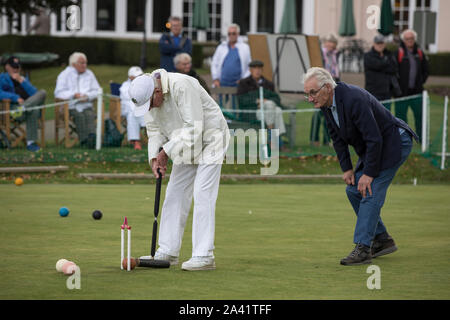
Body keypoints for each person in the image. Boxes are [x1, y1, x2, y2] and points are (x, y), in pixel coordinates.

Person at [303, 67, 418, 266]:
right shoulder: (327, 104)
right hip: (375, 145)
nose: (310, 98)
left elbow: (374, 138)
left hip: (394, 141)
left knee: (369, 189)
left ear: (328, 87)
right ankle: (382, 240)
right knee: (354, 191)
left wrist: (369, 173)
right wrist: (347, 168)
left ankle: (363, 248)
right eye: (307, 94)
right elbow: (337, 138)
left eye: (313, 92)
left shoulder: (353, 98)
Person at [128, 69, 230, 271]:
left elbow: (194, 126)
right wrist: (155, 157)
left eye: (150, 104)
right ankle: (168, 250)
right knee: (174, 193)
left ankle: (204, 255)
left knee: (203, 193)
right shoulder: (150, 98)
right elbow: (155, 130)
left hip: (211, 138)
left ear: (157, 92)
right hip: (184, 143)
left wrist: (166, 151)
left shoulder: (181, 84)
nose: (150, 108)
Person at [54, 52, 101, 148]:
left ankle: (92, 139)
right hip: (70, 107)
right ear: (73, 64)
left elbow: (97, 90)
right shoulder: (64, 75)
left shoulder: (89, 74)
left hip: (86, 104)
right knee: (79, 116)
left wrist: (87, 96)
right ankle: (84, 141)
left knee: (89, 114)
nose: (85, 65)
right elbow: (58, 93)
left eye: (85, 63)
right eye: (82, 63)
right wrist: (73, 95)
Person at [0, 56, 46, 152]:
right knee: (34, 110)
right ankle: (31, 143)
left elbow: (35, 94)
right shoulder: (2, 78)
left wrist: (22, 81)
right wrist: (15, 98)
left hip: (24, 109)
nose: (16, 69)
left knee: (42, 93)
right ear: (7, 67)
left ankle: (30, 143)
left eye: (18, 66)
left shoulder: (24, 79)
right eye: (13, 66)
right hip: (11, 109)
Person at [237, 60, 286, 147]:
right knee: (276, 110)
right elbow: (242, 100)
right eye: (255, 68)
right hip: (252, 112)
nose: (257, 70)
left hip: (266, 112)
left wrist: (264, 102)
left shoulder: (268, 84)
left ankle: (272, 140)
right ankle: (276, 142)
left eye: (259, 68)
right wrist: (257, 102)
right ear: (250, 70)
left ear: (262, 70)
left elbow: (276, 99)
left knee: (274, 108)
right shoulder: (244, 83)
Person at [395, 29, 429, 142]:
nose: (410, 41)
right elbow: (393, 72)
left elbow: (426, 69)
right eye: (407, 39)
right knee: (401, 119)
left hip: (417, 92)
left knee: (420, 117)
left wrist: (420, 82)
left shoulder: (419, 52)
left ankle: (421, 139)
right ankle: (403, 139)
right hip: (401, 93)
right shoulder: (398, 52)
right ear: (403, 40)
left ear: (415, 39)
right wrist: (397, 88)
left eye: (412, 38)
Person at [310, 34, 340, 147]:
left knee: (329, 113)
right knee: (318, 113)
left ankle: (326, 140)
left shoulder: (335, 54)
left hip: (331, 85)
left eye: (332, 44)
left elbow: (336, 71)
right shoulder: (320, 54)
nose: (330, 46)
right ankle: (314, 139)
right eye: (328, 43)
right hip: (319, 86)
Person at [211, 23, 251, 89]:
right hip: (222, 83)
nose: (231, 35)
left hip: (239, 85)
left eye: (233, 33)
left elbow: (250, 66)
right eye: (229, 34)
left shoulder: (245, 48)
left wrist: (243, 80)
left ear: (238, 34)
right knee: (220, 100)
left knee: (237, 99)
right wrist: (215, 79)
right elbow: (214, 64)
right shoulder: (221, 47)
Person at [364, 35, 398, 110]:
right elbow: (376, 65)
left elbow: (394, 69)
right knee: (373, 115)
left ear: (385, 44)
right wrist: (386, 64)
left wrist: (382, 65)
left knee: (386, 115)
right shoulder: (368, 56)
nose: (380, 45)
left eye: (381, 43)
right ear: (374, 44)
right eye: (377, 43)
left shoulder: (389, 54)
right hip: (373, 92)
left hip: (387, 92)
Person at [119, 66, 146, 150]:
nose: (139, 78)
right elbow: (129, 97)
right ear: (130, 77)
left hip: (142, 108)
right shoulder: (125, 86)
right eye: (137, 76)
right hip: (127, 109)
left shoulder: (145, 84)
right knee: (132, 115)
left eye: (140, 75)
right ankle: (136, 141)